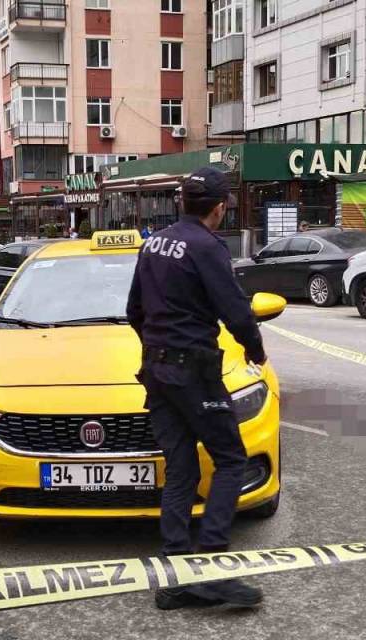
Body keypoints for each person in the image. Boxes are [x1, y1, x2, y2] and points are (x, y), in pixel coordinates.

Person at [127, 166, 267, 610]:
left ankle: (174, 578)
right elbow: (236, 312)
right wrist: (256, 351)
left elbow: (134, 310)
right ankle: (209, 570)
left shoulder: (154, 243)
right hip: (192, 372)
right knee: (230, 460)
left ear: (183, 203)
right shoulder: (209, 247)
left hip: (156, 371)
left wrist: (159, 349)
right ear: (220, 209)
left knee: (182, 467)